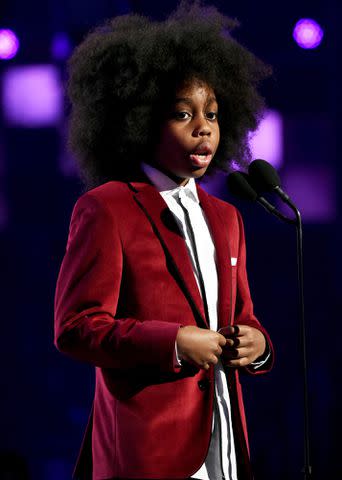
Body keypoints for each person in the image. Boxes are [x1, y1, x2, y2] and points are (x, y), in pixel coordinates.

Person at [54, 2, 274, 479]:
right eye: (182, 113)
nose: (203, 128)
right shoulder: (107, 207)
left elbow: (243, 318)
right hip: (147, 453)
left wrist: (257, 345)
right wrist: (173, 342)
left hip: (225, 446)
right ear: (139, 120)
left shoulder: (228, 217)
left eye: (212, 115)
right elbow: (76, 327)